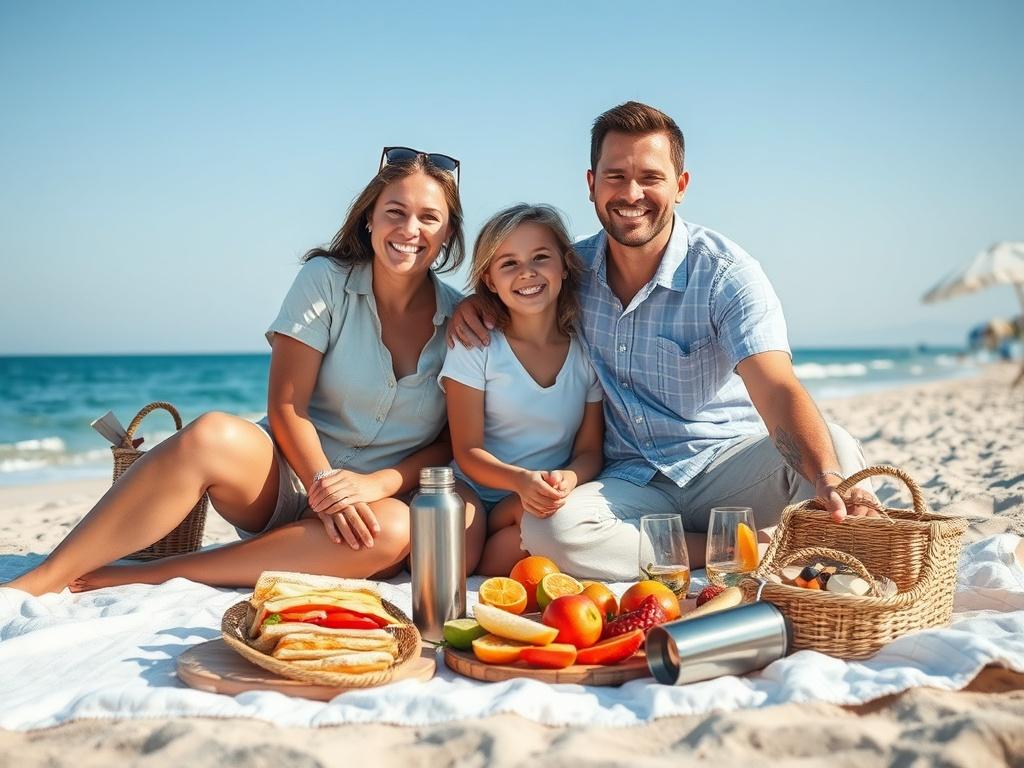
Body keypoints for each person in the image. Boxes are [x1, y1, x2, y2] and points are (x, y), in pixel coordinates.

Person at [7, 148, 486, 596]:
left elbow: (449, 440)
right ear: (369, 218)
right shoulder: (325, 280)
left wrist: (374, 485)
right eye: (395, 212)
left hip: (375, 503)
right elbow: (287, 406)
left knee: (396, 530)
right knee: (211, 433)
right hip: (286, 479)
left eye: (429, 217)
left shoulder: (463, 319)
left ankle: (157, 573)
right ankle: (48, 575)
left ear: (448, 232)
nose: (409, 229)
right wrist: (323, 485)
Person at [449, 102, 877, 581]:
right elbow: (518, 284)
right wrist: (474, 304)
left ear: (681, 185)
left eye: (650, 177)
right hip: (630, 483)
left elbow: (776, 387)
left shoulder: (725, 274)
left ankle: (774, 533)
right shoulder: (572, 269)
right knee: (552, 530)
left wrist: (827, 477)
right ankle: (744, 547)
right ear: (591, 185)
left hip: (725, 470)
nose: (631, 193)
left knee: (834, 448)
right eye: (615, 176)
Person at [439, 204, 604, 576]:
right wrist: (519, 481)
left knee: (513, 547)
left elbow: (590, 451)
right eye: (509, 263)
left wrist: (570, 478)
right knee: (458, 561)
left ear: (564, 265)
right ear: (489, 280)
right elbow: (466, 451)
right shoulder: (476, 345)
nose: (527, 272)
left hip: (535, 498)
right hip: (472, 487)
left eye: (540, 257)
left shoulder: (586, 353)